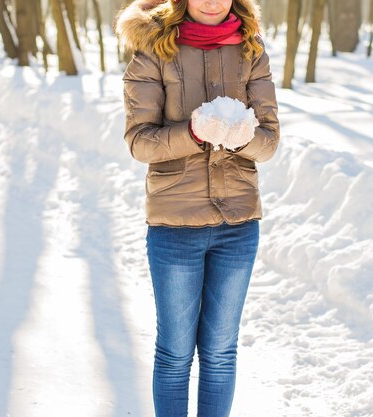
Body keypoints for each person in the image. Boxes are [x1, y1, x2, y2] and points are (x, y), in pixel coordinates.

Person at [115, 0, 279, 416]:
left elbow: (270, 141)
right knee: (174, 353)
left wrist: (244, 138)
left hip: (237, 225)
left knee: (222, 351)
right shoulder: (154, 47)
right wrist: (192, 133)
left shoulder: (251, 48)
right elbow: (139, 141)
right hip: (175, 225)